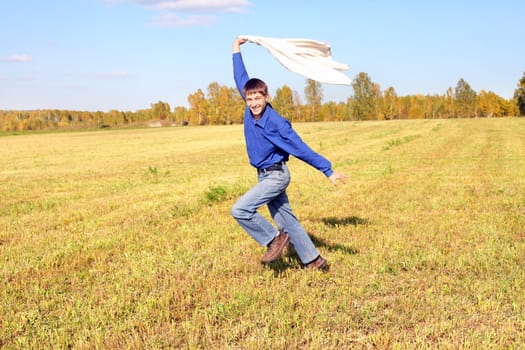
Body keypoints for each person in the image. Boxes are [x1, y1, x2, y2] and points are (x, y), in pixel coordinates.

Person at [230, 37, 347, 271]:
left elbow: (301, 148)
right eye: (250, 98)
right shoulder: (248, 107)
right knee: (287, 220)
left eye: (257, 98)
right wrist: (236, 49)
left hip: (276, 175)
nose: (253, 103)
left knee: (240, 209)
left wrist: (328, 170)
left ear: (267, 97)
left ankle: (273, 239)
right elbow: (240, 77)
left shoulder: (276, 124)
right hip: (264, 175)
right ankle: (314, 261)